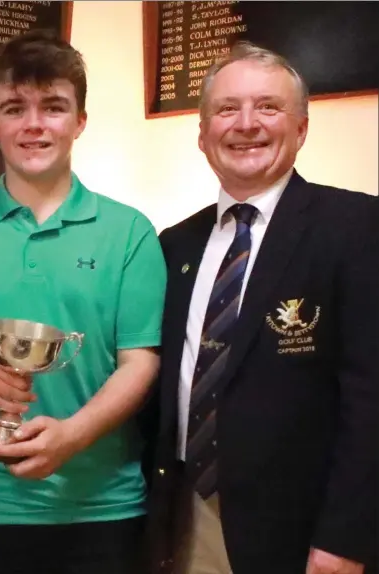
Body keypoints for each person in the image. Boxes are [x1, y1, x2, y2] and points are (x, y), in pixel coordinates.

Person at [0, 29, 166, 574]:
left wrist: (71, 437)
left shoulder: (129, 233)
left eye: (53, 107)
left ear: (80, 121)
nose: (34, 124)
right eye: (14, 108)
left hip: (105, 507)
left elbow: (140, 361)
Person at [147, 41, 378, 574]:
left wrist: (346, 538)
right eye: (227, 109)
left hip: (303, 533)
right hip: (185, 517)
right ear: (203, 136)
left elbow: (372, 400)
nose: (246, 124)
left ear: (300, 128)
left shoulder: (358, 228)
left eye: (268, 107)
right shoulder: (175, 244)